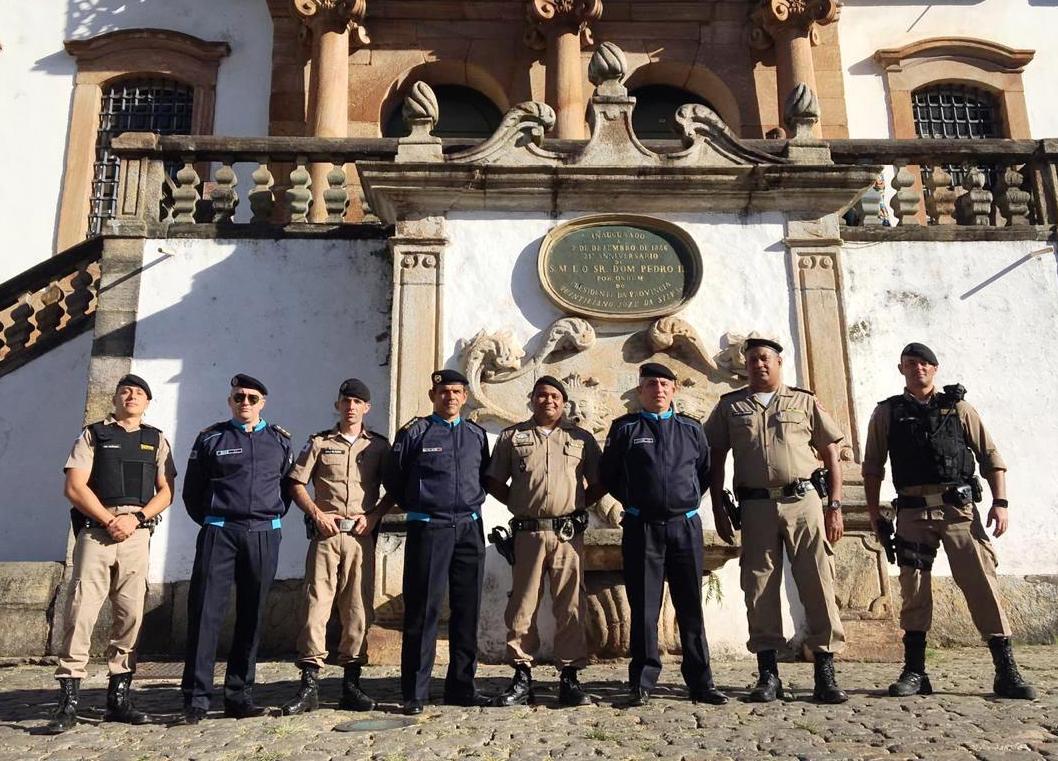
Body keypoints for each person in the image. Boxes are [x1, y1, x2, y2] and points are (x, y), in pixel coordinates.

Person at [862, 342, 1036, 700]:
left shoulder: (959, 408)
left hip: (959, 512)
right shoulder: (887, 413)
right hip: (912, 513)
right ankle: (915, 672)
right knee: (914, 591)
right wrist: (873, 513)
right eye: (911, 364)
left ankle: (1006, 672)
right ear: (902, 370)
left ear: (934, 369)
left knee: (981, 584)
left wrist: (1000, 502)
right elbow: (872, 467)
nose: (918, 369)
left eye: (924, 363)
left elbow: (990, 456)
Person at [705, 338, 848, 704]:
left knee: (817, 580)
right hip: (754, 508)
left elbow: (831, 453)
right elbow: (715, 457)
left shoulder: (804, 401)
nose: (758, 365)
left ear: (779, 362)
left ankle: (824, 670)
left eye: (765, 358)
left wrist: (835, 505)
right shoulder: (730, 406)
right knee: (759, 586)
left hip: (803, 502)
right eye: (752, 360)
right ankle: (768, 674)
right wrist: (719, 507)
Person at [45, 374, 175, 734]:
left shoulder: (156, 439)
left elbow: (166, 491)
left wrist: (137, 519)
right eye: (125, 391)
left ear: (148, 402)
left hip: (137, 534)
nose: (131, 396)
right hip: (97, 534)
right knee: (81, 612)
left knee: (131, 614)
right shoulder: (94, 434)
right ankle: (68, 699)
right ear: (115, 399)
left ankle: (119, 697)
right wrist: (109, 518)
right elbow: (74, 486)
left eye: (139, 393)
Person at [599, 362, 728, 707]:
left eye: (664, 384)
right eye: (651, 384)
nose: (658, 389)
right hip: (643, 527)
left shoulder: (691, 429)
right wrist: (641, 501)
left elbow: (703, 473)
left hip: (684, 527)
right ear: (640, 391)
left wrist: (679, 501)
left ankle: (701, 681)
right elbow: (610, 475)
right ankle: (641, 680)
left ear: (674, 390)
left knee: (690, 606)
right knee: (644, 606)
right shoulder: (625, 428)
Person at [179, 374, 294, 724]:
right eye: (239, 397)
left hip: (262, 534)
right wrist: (217, 521)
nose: (245, 403)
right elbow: (192, 492)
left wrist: (262, 520)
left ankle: (239, 694)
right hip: (220, 533)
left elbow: (286, 491)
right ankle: (197, 698)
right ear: (230, 401)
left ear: (263, 403)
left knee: (252, 613)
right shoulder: (211, 438)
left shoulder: (279, 441)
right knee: (205, 613)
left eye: (252, 398)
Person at [486, 376, 606, 707]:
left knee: (570, 603)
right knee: (523, 604)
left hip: (568, 535)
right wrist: (518, 503)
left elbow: (600, 480)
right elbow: (493, 479)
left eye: (554, 396)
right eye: (541, 395)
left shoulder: (580, 438)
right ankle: (522, 676)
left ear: (563, 402)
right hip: (528, 533)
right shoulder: (513, 436)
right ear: (532, 400)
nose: (548, 401)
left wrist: (579, 503)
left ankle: (569, 677)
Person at [281, 378, 393, 715]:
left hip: (360, 536)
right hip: (326, 535)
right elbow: (296, 483)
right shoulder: (319, 442)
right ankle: (310, 683)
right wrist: (315, 513)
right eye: (346, 401)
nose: (351, 407)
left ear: (366, 408)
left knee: (357, 607)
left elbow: (395, 490)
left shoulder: (378, 447)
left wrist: (373, 517)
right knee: (316, 603)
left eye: (357, 401)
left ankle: (351, 683)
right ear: (338, 406)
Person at [383, 369, 492, 715]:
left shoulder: (476, 435)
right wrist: (422, 504)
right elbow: (394, 478)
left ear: (465, 397)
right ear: (433, 395)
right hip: (430, 528)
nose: (450, 397)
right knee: (423, 609)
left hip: (469, 528)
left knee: (467, 609)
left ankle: (462, 685)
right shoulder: (416, 432)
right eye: (444, 391)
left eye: (457, 391)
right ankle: (415, 691)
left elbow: (483, 476)